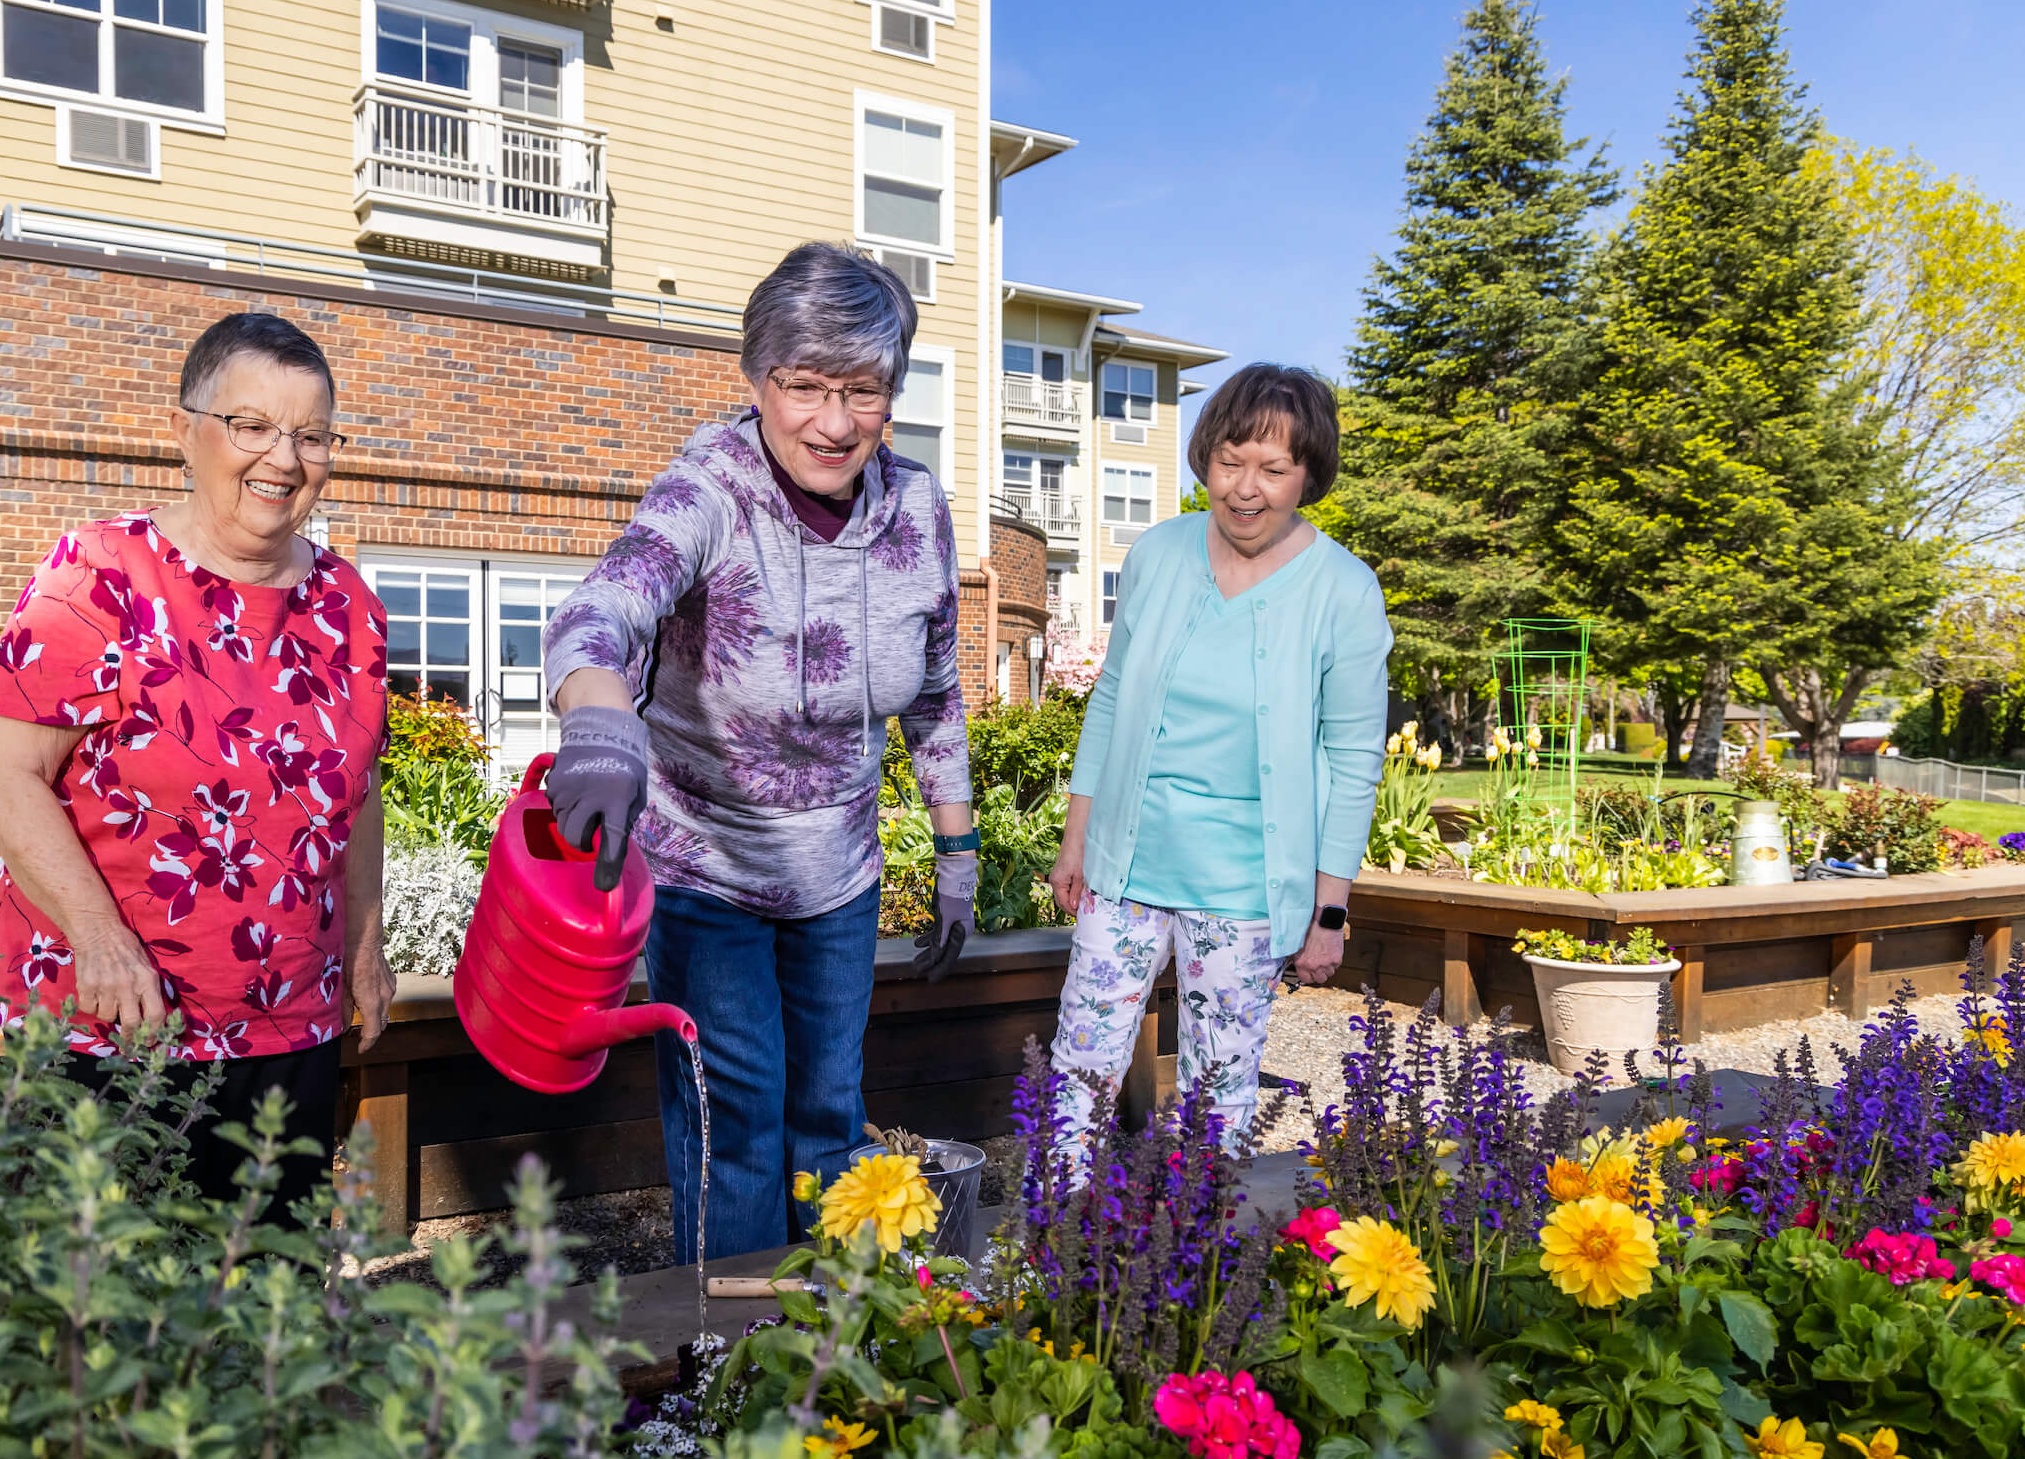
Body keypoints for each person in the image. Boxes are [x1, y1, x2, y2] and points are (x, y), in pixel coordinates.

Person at [542, 241, 976, 1265]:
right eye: (805, 385)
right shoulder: (708, 491)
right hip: (707, 874)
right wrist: (599, 724)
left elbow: (936, 689)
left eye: (862, 390)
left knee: (827, 1118)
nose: (833, 421)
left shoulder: (916, 510)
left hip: (839, 874)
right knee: (735, 1130)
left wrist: (955, 857)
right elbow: (598, 613)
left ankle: (829, 1350)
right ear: (755, 377)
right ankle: (728, 1369)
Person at [0, 311, 393, 1220]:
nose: (283, 458)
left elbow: (358, 789)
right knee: (107, 1320)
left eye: (311, 435)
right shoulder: (101, 575)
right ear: (185, 433)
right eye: (250, 425)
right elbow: (0, 770)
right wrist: (99, 936)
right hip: (113, 1023)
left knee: (268, 1303)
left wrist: (365, 941)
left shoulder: (348, 604)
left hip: (290, 1029)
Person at [1047, 363, 1391, 1148]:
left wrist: (1329, 911)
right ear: (1205, 456)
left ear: (1309, 475)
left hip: (1244, 889)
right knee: (1079, 1068)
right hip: (1126, 867)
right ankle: (1051, 1244)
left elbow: (1353, 759)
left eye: (1274, 469)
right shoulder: (1159, 553)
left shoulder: (1343, 588)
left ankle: (1199, 1262)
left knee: (1219, 1089)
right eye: (1230, 461)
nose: (1245, 488)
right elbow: (1111, 695)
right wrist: (1078, 838)